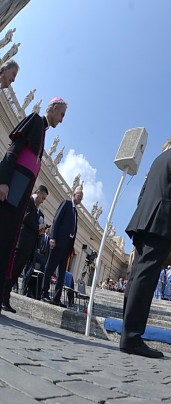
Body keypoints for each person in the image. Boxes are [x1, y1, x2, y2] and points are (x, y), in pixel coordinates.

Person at [120, 128, 171, 358]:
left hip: (144, 220)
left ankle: (127, 333)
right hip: (162, 222)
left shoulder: (159, 158)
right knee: (145, 278)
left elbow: (143, 193)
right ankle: (132, 338)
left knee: (136, 276)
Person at [0, 95, 66, 315]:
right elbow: (13, 150)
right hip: (11, 192)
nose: (62, 120)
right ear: (54, 108)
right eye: (62, 114)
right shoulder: (36, 120)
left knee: (7, 243)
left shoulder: (43, 131)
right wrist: (3, 181)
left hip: (18, 197)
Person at [2, 184, 47, 312]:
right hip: (21, 244)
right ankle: (3, 297)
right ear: (38, 193)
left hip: (27, 247)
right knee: (11, 272)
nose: (43, 201)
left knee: (15, 273)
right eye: (42, 198)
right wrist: (38, 227)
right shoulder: (28, 201)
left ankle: (6, 298)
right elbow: (26, 218)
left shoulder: (36, 208)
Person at [41, 186, 82, 307]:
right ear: (74, 194)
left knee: (62, 273)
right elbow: (56, 220)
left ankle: (57, 297)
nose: (81, 198)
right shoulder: (66, 204)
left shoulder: (75, 212)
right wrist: (52, 237)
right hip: (58, 242)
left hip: (68, 246)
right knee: (50, 266)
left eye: (82, 197)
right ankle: (44, 292)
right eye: (79, 195)